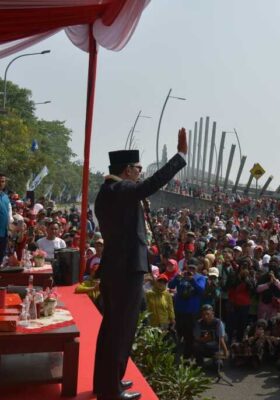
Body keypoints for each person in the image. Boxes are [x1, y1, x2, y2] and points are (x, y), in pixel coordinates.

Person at [93, 129, 187, 400]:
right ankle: (110, 390)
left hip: (117, 268)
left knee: (113, 327)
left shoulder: (110, 190)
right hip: (124, 270)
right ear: (126, 170)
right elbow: (149, 186)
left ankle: (108, 382)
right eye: (138, 168)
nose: (141, 173)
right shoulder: (120, 189)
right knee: (121, 329)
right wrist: (180, 157)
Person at [193, 304, 229, 369]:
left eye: (207, 314)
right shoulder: (199, 323)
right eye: (203, 314)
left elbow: (221, 339)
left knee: (218, 365)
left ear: (212, 313)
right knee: (195, 345)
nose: (205, 316)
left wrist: (225, 353)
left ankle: (215, 361)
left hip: (216, 349)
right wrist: (204, 339)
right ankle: (200, 362)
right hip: (205, 347)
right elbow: (197, 338)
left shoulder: (218, 323)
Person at [0, 173, 10, 259]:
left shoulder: (6, 197)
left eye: (2, 181)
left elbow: (8, 214)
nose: (1, 183)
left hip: (4, 234)